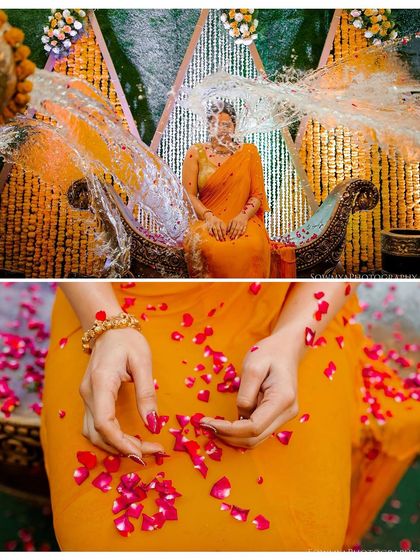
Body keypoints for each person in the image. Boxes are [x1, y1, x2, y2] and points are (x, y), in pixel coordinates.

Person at [40, 281, 420, 551]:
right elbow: (65, 229)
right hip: (112, 304)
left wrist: (290, 342)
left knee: (298, 541)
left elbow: (336, 241)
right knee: (101, 540)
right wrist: (107, 326)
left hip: (289, 306)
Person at [182, 101, 272, 278]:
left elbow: (257, 195)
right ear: (209, 126)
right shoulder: (196, 152)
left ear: (234, 127)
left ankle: (250, 296)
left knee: (253, 245)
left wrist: (243, 217)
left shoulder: (248, 152)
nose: (221, 129)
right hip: (206, 219)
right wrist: (209, 217)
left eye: (226, 124)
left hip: (244, 219)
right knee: (210, 248)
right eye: (216, 124)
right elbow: (189, 196)